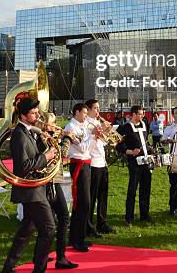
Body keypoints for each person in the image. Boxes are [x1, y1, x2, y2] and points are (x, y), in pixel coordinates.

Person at [2, 98, 57, 273]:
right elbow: (22, 167)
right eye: (33, 113)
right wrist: (46, 157)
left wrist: (48, 139)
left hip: (35, 189)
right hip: (31, 191)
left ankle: (8, 267)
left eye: (37, 111)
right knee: (48, 230)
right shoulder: (18, 134)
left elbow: (36, 155)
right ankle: (39, 269)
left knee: (27, 230)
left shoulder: (29, 131)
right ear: (23, 115)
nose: (38, 115)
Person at [42, 113, 78, 270]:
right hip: (49, 182)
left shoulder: (49, 136)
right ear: (45, 124)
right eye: (52, 122)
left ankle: (48, 256)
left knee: (52, 220)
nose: (56, 124)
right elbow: (63, 154)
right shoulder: (44, 138)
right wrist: (67, 139)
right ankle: (58, 257)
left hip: (53, 180)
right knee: (60, 218)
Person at [65, 103, 103, 251]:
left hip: (86, 164)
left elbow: (89, 149)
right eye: (84, 113)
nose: (86, 116)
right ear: (77, 112)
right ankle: (77, 239)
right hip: (79, 165)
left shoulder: (82, 127)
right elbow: (81, 148)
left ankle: (77, 237)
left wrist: (96, 138)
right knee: (83, 202)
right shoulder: (70, 128)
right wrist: (93, 136)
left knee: (83, 203)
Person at [117, 105, 152, 226]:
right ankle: (129, 217)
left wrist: (150, 149)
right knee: (132, 190)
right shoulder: (125, 127)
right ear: (133, 114)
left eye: (143, 114)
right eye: (140, 114)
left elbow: (145, 140)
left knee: (145, 189)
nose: (142, 116)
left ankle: (144, 214)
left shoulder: (144, 125)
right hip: (134, 163)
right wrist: (130, 152)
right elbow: (118, 145)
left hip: (146, 161)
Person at [85, 99, 115, 237]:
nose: (98, 111)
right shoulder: (86, 124)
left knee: (103, 195)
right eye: (96, 108)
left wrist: (107, 131)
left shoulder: (97, 123)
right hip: (93, 163)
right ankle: (89, 226)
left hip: (102, 162)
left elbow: (104, 142)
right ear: (89, 110)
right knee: (92, 196)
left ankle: (102, 222)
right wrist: (97, 132)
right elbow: (87, 143)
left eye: (98, 108)